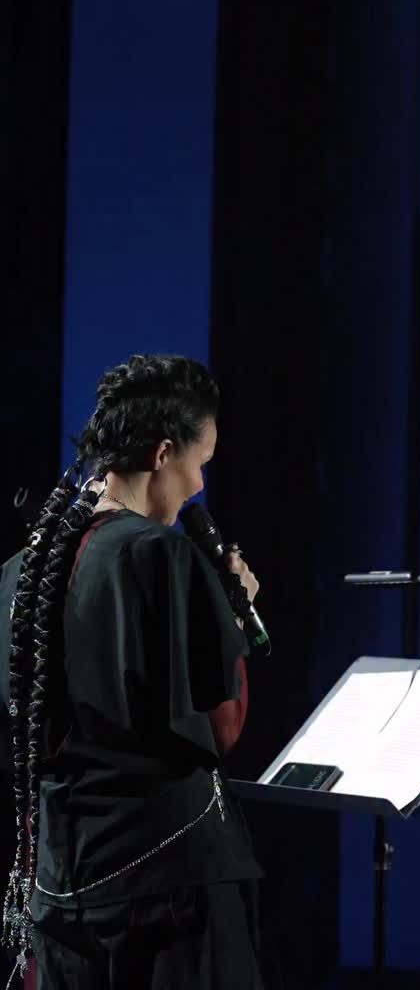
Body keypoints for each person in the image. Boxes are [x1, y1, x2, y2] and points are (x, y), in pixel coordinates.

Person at [0, 354, 272, 989]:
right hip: (168, 887)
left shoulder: (19, 572)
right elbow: (221, 726)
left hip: (62, 887)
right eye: (201, 463)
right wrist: (231, 614)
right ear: (164, 452)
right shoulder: (162, 557)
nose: (198, 485)